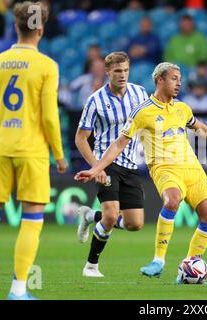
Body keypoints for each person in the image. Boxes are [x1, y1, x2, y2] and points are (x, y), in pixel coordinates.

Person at [74, 62, 207, 282]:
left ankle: (188, 268)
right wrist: (96, 168)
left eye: (180, 79)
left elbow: (199, 127)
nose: (178, 83)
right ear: (160, 80)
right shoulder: (143, 111)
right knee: (172, 201)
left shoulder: (182, 108)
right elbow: (119, 144)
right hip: (164, 168)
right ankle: (158, 260)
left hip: (192, 168)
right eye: (174, 78)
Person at [0, 1, 67, 300]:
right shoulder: (47, 66)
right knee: (31, 221)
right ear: (41, 30)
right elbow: (49, 116)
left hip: (0, 150)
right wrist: (59, 155)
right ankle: (18, 290)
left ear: (16, 27)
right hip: (32, 152)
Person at [75, 51, 149, 277]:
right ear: (107, 72)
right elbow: (80, 138)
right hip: (106, 164)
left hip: (130, 164)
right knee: (110, 215)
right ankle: (91, 266)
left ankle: (90, 217)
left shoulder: (140, 93)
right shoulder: (95, 100)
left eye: (126, 70)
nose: (123, 75)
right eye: (117, 71)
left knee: (135, 224)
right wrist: (96, 166)